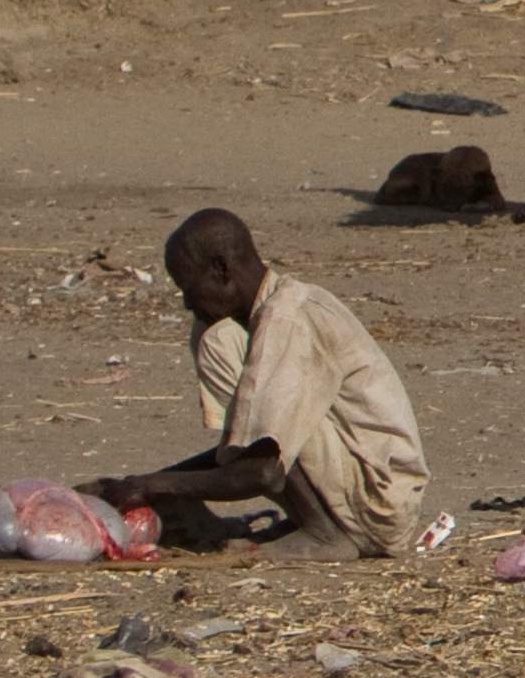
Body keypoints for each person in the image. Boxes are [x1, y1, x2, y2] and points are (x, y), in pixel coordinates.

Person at [86, 209, 432, 556]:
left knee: (258, 407)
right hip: (364, 489)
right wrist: (146, 486)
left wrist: (152, 485)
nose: (187, 303)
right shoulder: (262, 316)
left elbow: (261, 470)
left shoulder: (285, 320)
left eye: (189, 288)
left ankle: (323, 534)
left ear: (221, 269)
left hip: (378, 503)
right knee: (212, 340)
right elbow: (244, 449)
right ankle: (312, 520)